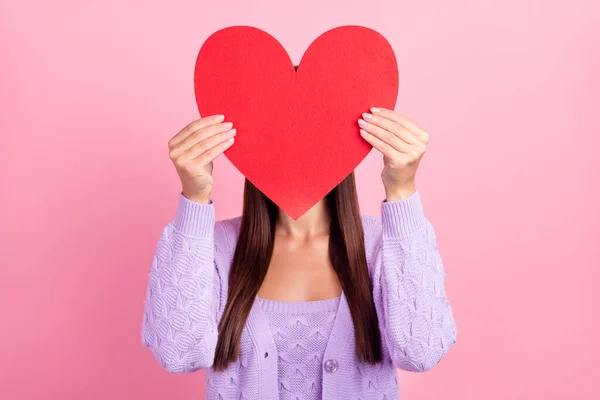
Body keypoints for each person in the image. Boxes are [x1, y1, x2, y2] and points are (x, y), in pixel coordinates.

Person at [141, 99, 457, 399]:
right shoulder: (213, 249)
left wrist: (402, 191)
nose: (296, 151)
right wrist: (194, 201)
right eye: (280, 133)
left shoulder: (383, 245)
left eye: (311, 132)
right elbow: (177, 354)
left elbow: (423, 350)